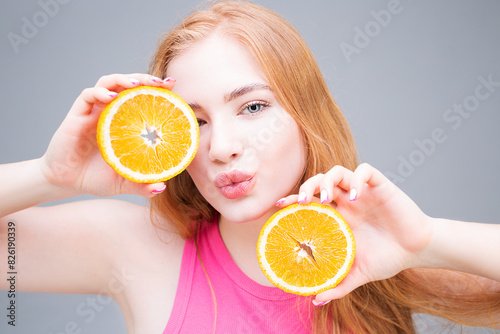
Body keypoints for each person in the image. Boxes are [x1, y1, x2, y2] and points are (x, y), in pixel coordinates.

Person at [1, 1, 499, 333]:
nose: (221, 147)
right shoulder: (138, 247)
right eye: (193, 122)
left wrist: (424, 242)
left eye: (253, 107)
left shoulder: (377, 254)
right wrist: (50, 175)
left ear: (307, 114)